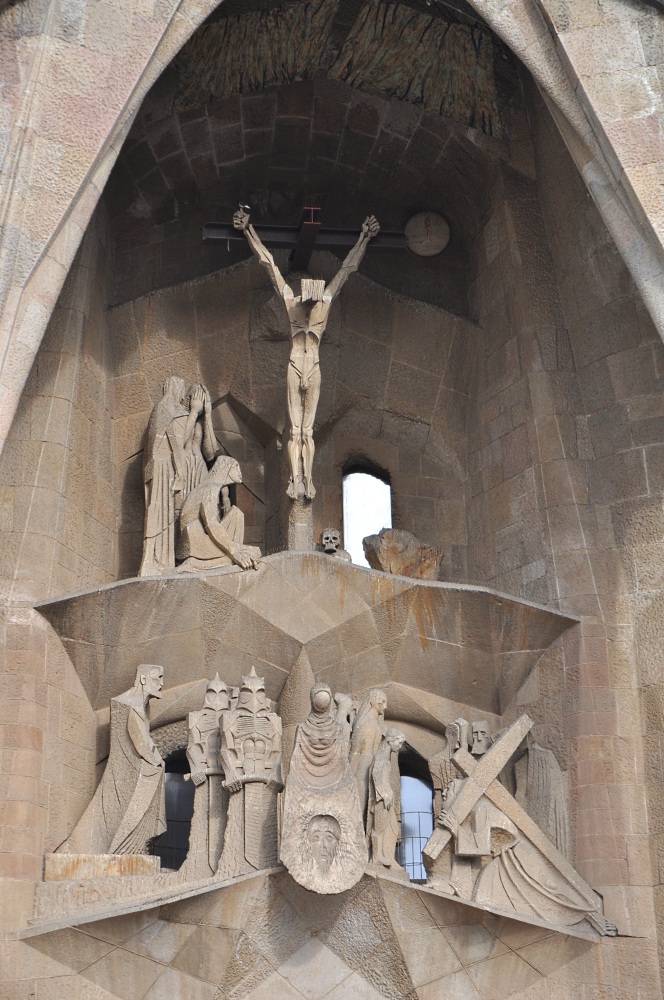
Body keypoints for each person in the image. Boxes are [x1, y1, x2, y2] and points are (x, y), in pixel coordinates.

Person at [233, 208, 380, 500]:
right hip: (295, 366)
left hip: (312, 368)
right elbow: (269, 265)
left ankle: (306, 481)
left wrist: (365, 237)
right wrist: (248, 230)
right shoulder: (290, 302)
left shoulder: (324, 302)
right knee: (296, 431)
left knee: (307, 432)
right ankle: (293, 479)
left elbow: (347, 270)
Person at [57, 665, 166, 856]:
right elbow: (140, 742)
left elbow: (144, 742)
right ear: (142, 679)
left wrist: (156, 759)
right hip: (128, 773)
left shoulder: (140, 706)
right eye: (158, 678)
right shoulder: (127, 705)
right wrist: (155, 760)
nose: (162, 684)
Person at [140, 377, 218, 576]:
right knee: (177, 514)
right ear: (190, 397)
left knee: (198, 514)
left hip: (198, 470)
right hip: (182, 469)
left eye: (204, 399)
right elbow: (179, 442)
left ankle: (196, 555)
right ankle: (175, 559)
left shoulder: (201, 423)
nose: (200, 403)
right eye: (198, 398)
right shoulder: (178, 415)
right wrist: (192, 412)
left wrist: (208, 415)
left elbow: (210, 453)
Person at [177, 454, 261, 571]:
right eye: (236, 466)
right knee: (253, 551)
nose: (239, 472)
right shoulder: (210, 488)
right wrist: (235, 552)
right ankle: (196, 563)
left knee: (253, 549)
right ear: (227, 468)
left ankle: (198, 563)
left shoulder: (209, 487)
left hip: (194, 540)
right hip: (194, 541)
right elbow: (211, 524)